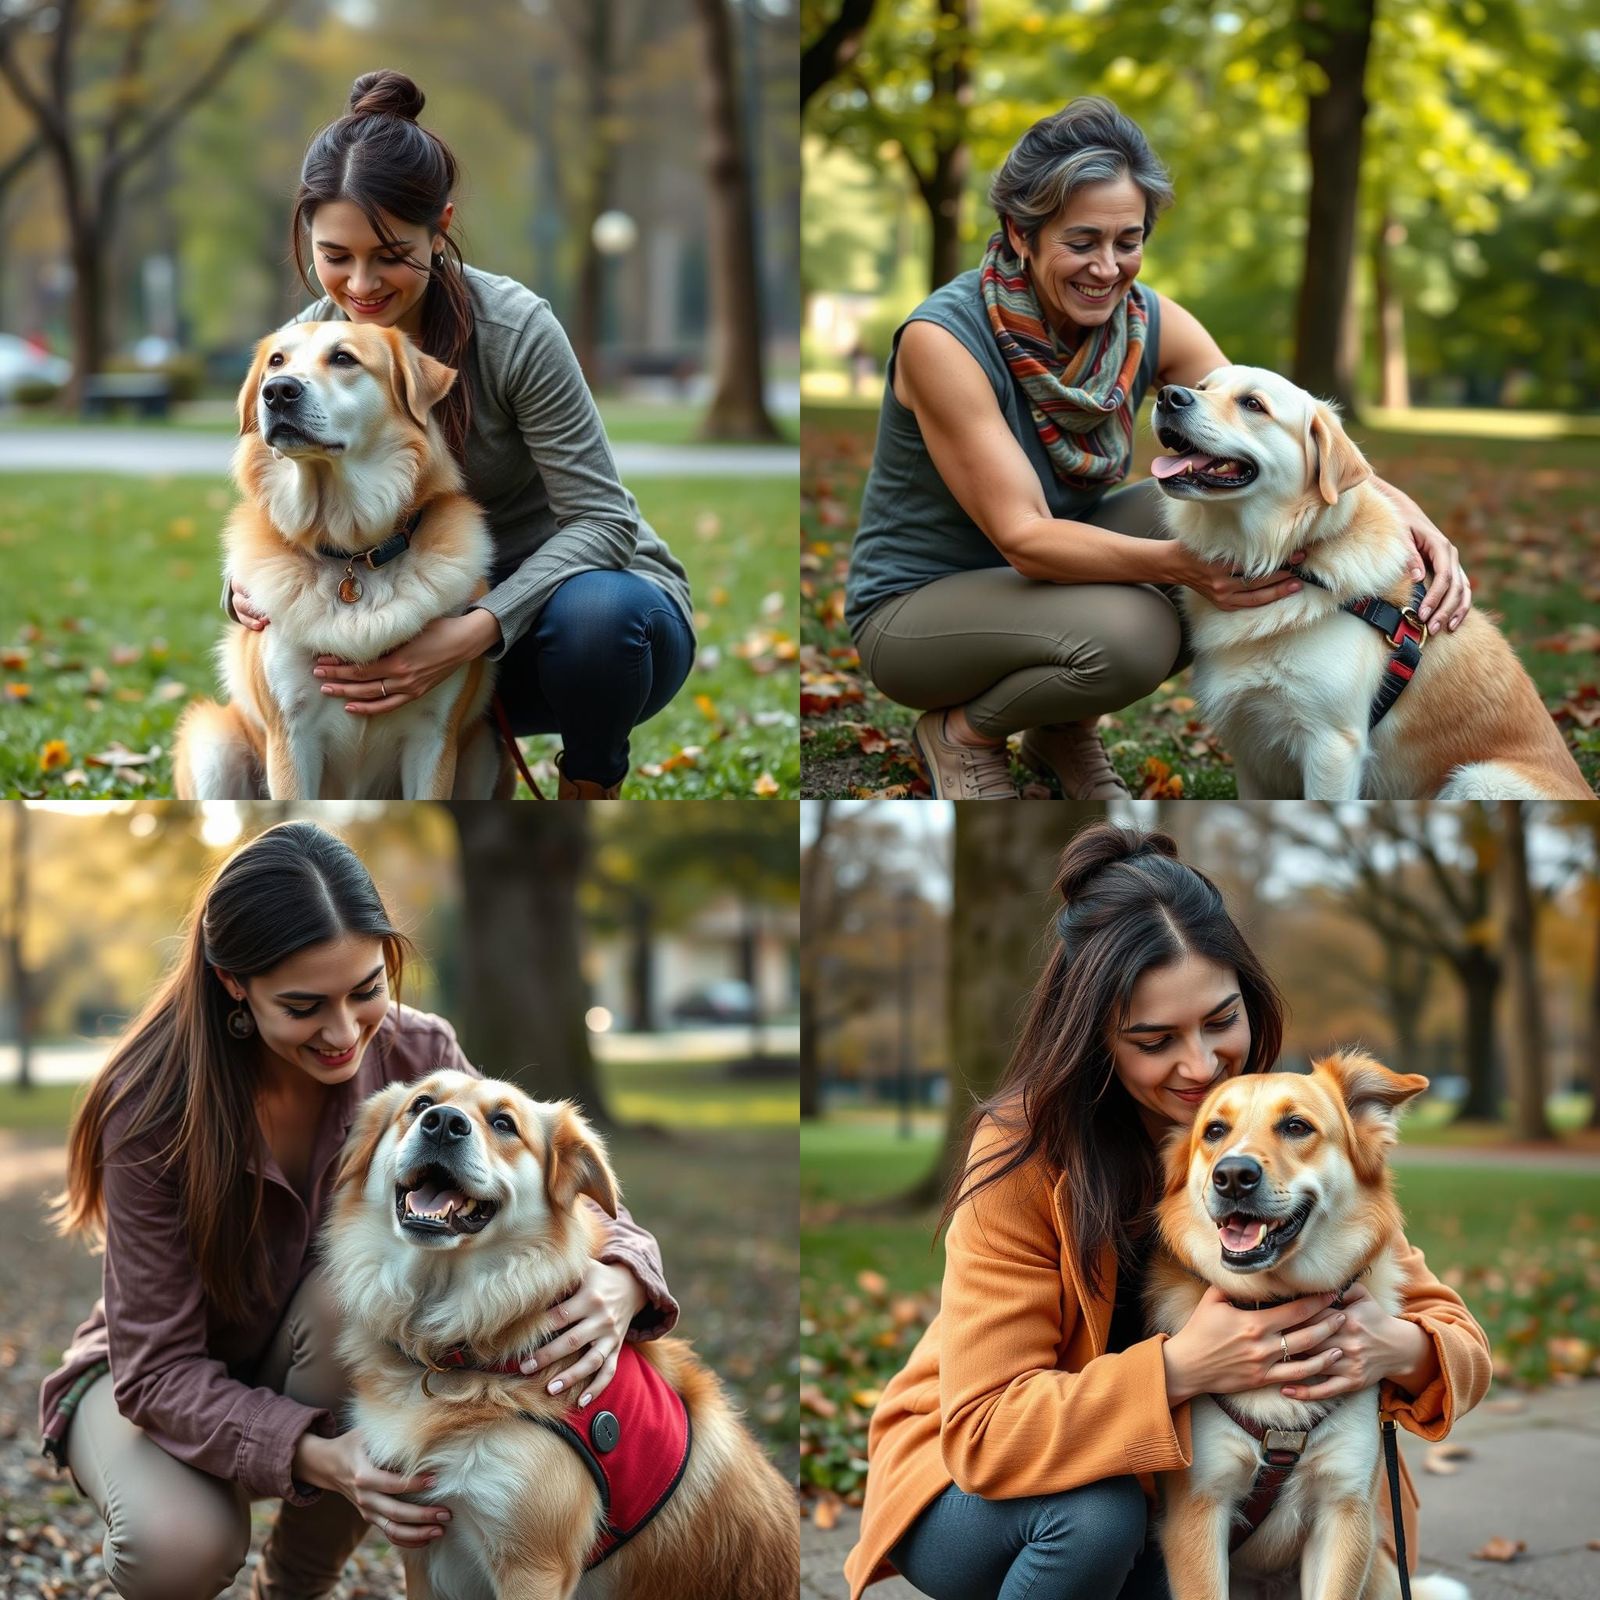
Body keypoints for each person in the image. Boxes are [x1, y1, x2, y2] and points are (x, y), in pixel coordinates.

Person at [843, 823, 1491, 1600]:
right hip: (978, 1492)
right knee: (1096, 1518)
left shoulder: (1298, 1140)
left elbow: (1455, 1341)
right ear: (1096, 1038)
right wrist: (1187, 1367)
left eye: (1220, 1021)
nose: (1199, 1064)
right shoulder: (1022, 1153)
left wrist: (1392, 1345)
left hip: (1172, 1497)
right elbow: (985, 1434)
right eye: (1154, 1040)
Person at [39, 821, 678, 1600]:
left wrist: (622, 1276)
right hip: (152, 1384)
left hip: (320, 1351)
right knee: (176, 1551)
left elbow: (568, 1195)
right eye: (304, 1005)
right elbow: (157, 1370)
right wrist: (322, 1457)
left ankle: (296, 1586)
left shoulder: (420, 1059)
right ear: (233, 982)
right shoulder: (149, 1109)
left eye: (366, 990)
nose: (344, 1032)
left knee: (374, 1307)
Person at [843, 98, 1473, 800]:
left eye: (1128, 240)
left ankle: (1057, 727)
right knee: (1136, 632)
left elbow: (1275, 440)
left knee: (1239, 521)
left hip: (1044, 584)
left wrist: (1415, 520)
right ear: (1021, 234)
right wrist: (1188, 567)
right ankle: (964, 731)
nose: (1108, 269)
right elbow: (1024, 538)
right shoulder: (945, 341)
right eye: (1081, 242)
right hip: (921, 610)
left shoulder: (1143, 320)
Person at [226, 69, 696, 799]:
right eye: (335, 254)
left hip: (561, 629)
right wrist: (244, 586)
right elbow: (265, 493)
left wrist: (475, 629)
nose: (360, 285)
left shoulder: (514, 330)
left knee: (602, 620)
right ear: (307, 234)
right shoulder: (296, 351)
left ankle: (589, 787)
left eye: (390, 255)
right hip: (397, 616)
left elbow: (604, 520)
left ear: (439, 226)